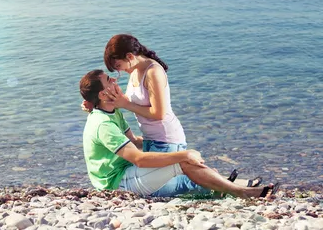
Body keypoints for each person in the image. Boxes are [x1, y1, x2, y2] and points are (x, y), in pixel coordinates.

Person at [79, 69, 278, 198]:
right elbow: (138, 159)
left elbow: (134, 143)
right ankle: (241, 192)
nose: (114, 78)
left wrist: (164, 143)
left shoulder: (112, 113)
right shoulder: (103, 124)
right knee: (183, 162)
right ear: (104, 95)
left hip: (126, 174)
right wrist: (183, 154)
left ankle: (227, 183)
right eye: (108, 80)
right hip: (118, 184)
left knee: (188, 169)